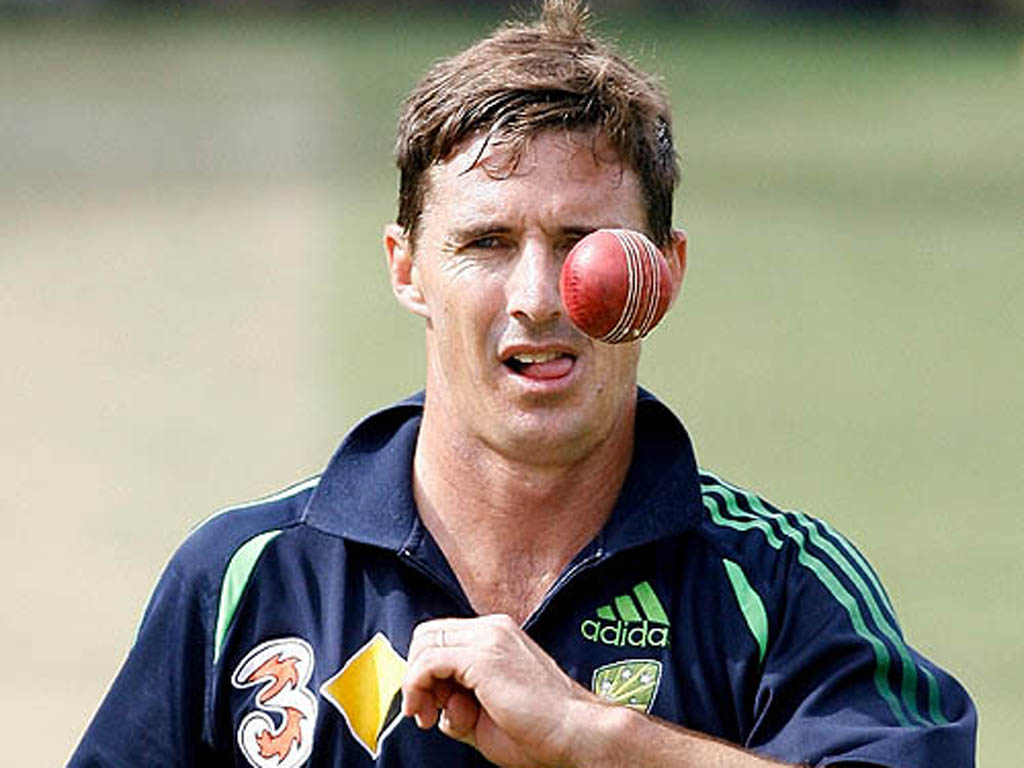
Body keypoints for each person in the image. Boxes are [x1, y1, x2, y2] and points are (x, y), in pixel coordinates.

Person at [69, 1, 976, 766]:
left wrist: (596, 739)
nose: (539, 298)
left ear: (664, 272)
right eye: (487, 242)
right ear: (406, 269)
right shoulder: (243, 578)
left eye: (585, 244)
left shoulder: (781, 585)